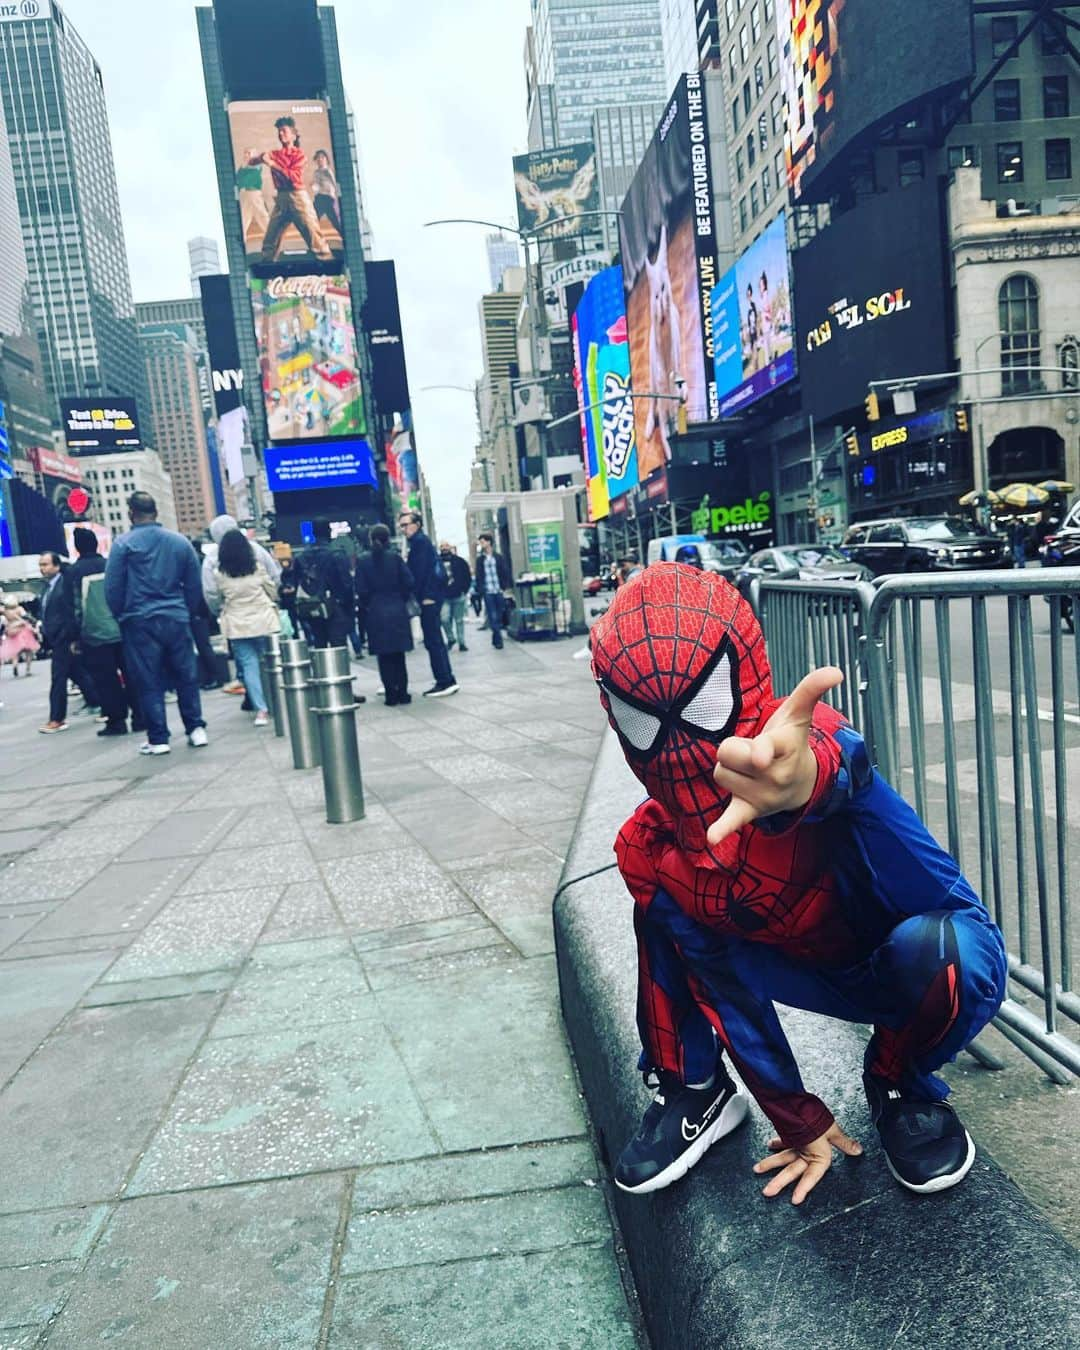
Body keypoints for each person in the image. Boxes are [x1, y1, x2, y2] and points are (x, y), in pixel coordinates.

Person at [590, 565, 1006, 1202]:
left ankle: (899, 1082)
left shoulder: (804, 747)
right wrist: (795, 1114)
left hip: (892, 954)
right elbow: (718, 980)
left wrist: (804, 780)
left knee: (951, 954)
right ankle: (694, 1087)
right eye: (646, 718)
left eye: (698, 704)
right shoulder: (659, 846)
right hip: (790, 962)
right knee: (661, 904)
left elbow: (840, 762)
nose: (677, 740)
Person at [104, 492, 208, 756]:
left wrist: (121, 615)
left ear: (131, 513)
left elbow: (113, 587)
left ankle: (158, 737)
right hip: (176, 615)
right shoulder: (180, 542)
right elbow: (194, 584)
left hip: (139, 620)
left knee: (148, 680)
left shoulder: (122, 545)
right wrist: (187, 609)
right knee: (186, 675)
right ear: (156, 512)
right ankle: (195, 728)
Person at [66, 527, 137, 737]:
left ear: (77, 547)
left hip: (93, 635)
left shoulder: (73, 572)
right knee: (131, 674)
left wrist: (75, 636)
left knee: (106, 680)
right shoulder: (110, 565)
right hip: (121, 629)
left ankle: (116, 721)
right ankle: (141, 716)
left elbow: (74, 607)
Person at [212, 529, 280, 728]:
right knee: (270, 664)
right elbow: (272, 591)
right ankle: (277, 702)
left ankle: (261, 709)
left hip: (237, 625)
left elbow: (217, 598)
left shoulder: (220, 575)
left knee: (249, 667)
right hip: (263, 621)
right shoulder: (257, 568)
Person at [247, 115, 333, 263]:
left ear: (293, 135)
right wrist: (257, 157)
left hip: (298, 198)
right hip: (281, 199)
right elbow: (253, 161)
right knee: (270, 240)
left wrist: (272, 164)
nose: (281, 134)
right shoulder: (274, 154)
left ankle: (329, 265)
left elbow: (293, 178)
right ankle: (267, 273)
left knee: (314, 237)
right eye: (279, 132)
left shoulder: (299, 155)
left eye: (284, 131)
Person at [398, 510, 458, 696]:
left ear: (417, 524)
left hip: (429, 598)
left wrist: (427, 596)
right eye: (401, 526)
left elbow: (421, 573)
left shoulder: (420, 543)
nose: (403, 529)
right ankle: (445, 678)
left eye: (406, 525)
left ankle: (445, 680)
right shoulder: (418, 543)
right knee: (433, 639)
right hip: (428, 597)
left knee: (433, 640)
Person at [355, 524, 414, 705]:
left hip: (376, 612)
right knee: (398, 655)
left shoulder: (363, 561)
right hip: (397, 610)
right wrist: (400, 598)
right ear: (388, 539)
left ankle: (390, 694)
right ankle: (403, 693)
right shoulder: (395, 558)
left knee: (384, 656)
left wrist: (369, 604)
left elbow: (361, 589)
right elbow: (409, 582)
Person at [38, 551, 79, 733]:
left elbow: (69, 612)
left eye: (45, 564)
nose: (42, 568)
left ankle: (57, 718)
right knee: (79, 673)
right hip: (55, 640)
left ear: (56, 566)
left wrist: (69, 636)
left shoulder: (64, 585)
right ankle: (99, 701)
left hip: (63, 638)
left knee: (59, 678)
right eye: (41, 565)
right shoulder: (46, 588)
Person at [473, 531, 512, 650]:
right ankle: (499, 640)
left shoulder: (498, 557)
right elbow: (479, 575)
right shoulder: (480, 560)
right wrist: (481, 589)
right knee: (492, 615)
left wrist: (505, 586)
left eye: (483, 541)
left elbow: (504, 571)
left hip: (498, 589)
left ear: (489, 542)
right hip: (488, 590)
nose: (481, 543)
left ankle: (495, 636)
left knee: (499, 614)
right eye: (480, 542)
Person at [439, 542, 472, 652]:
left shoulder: (460, 561)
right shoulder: (436, 562)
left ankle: (462, 643)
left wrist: (464, 590)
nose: (444, 548)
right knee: (444, 619)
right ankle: (451, 638)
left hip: (458, 595)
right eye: (442, 546)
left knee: (459, 620)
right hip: (443, 596)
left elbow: (467, 576)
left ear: (450, 547)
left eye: (446, 546)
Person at [235, 147, 270, 247]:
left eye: (249, 153)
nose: (246, 155)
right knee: (244, 217)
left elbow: (245, 179)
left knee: (262, 215)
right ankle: (242, 237)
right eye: (245, 153)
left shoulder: (256, 166)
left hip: (254, 194)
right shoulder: (243, 166)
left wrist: (244, 169)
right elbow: (238, 179)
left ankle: (271, 237)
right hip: (245, 194)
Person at [0, 595, 39, 678]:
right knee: (29, 651)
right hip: (22, 630)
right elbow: (26, 616)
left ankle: (15, 664)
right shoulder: (19, 609)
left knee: (15, 651)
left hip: (11, 631)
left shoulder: (5, 611)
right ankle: (28, 669)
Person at [311, 148, 343, 236]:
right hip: (319, 199)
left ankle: (343, 236)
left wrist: (339, 197)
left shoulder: (329, 171)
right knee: (313, 220)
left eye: (322, 157)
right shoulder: (316, 172)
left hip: (329, 199)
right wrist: (314, 186)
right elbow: (316, 185)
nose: (320, 159)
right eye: (318, 158)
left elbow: (335, 184)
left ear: (326, 159)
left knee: (336, 221)